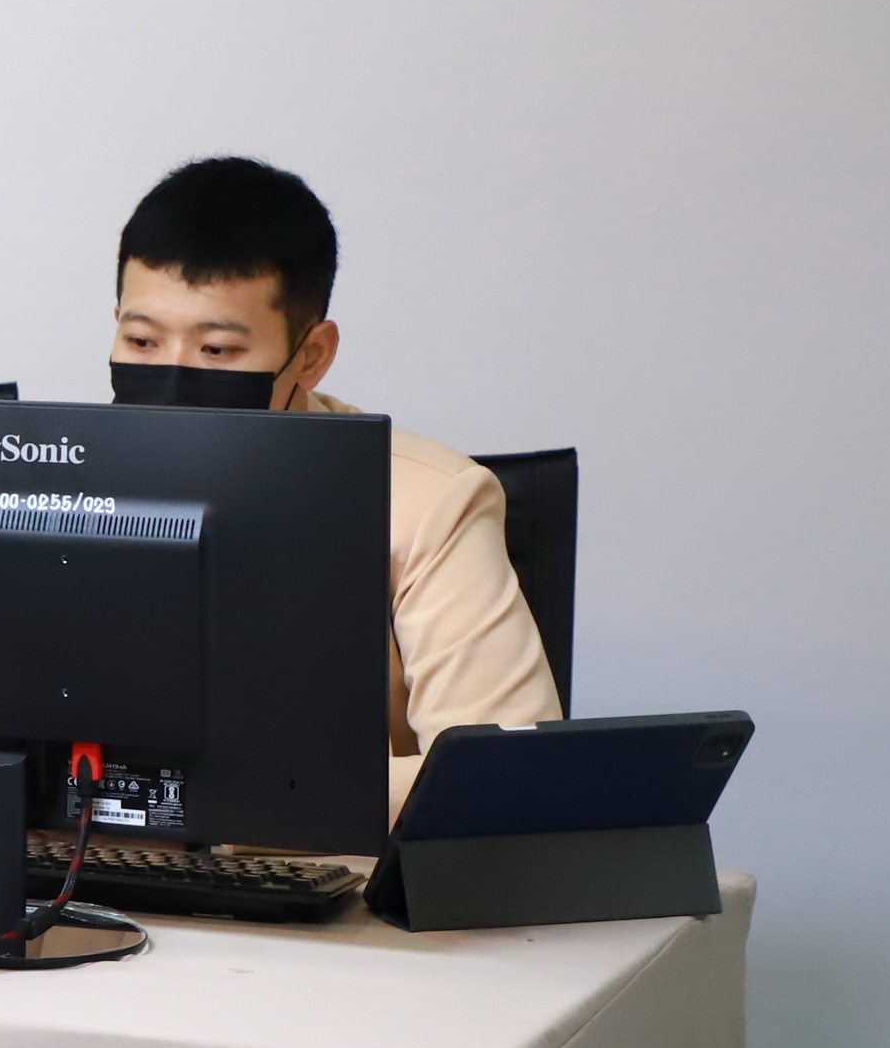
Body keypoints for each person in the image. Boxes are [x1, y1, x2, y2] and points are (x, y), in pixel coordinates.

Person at [107, 155, 559, 807]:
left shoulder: (428, 503)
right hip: (75, 858)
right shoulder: (50, 480)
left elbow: (503, 774)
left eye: (217, 350)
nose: (173, 377)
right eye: (142, 342)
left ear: (311, 355)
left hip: (324, 865)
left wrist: (217, 802)